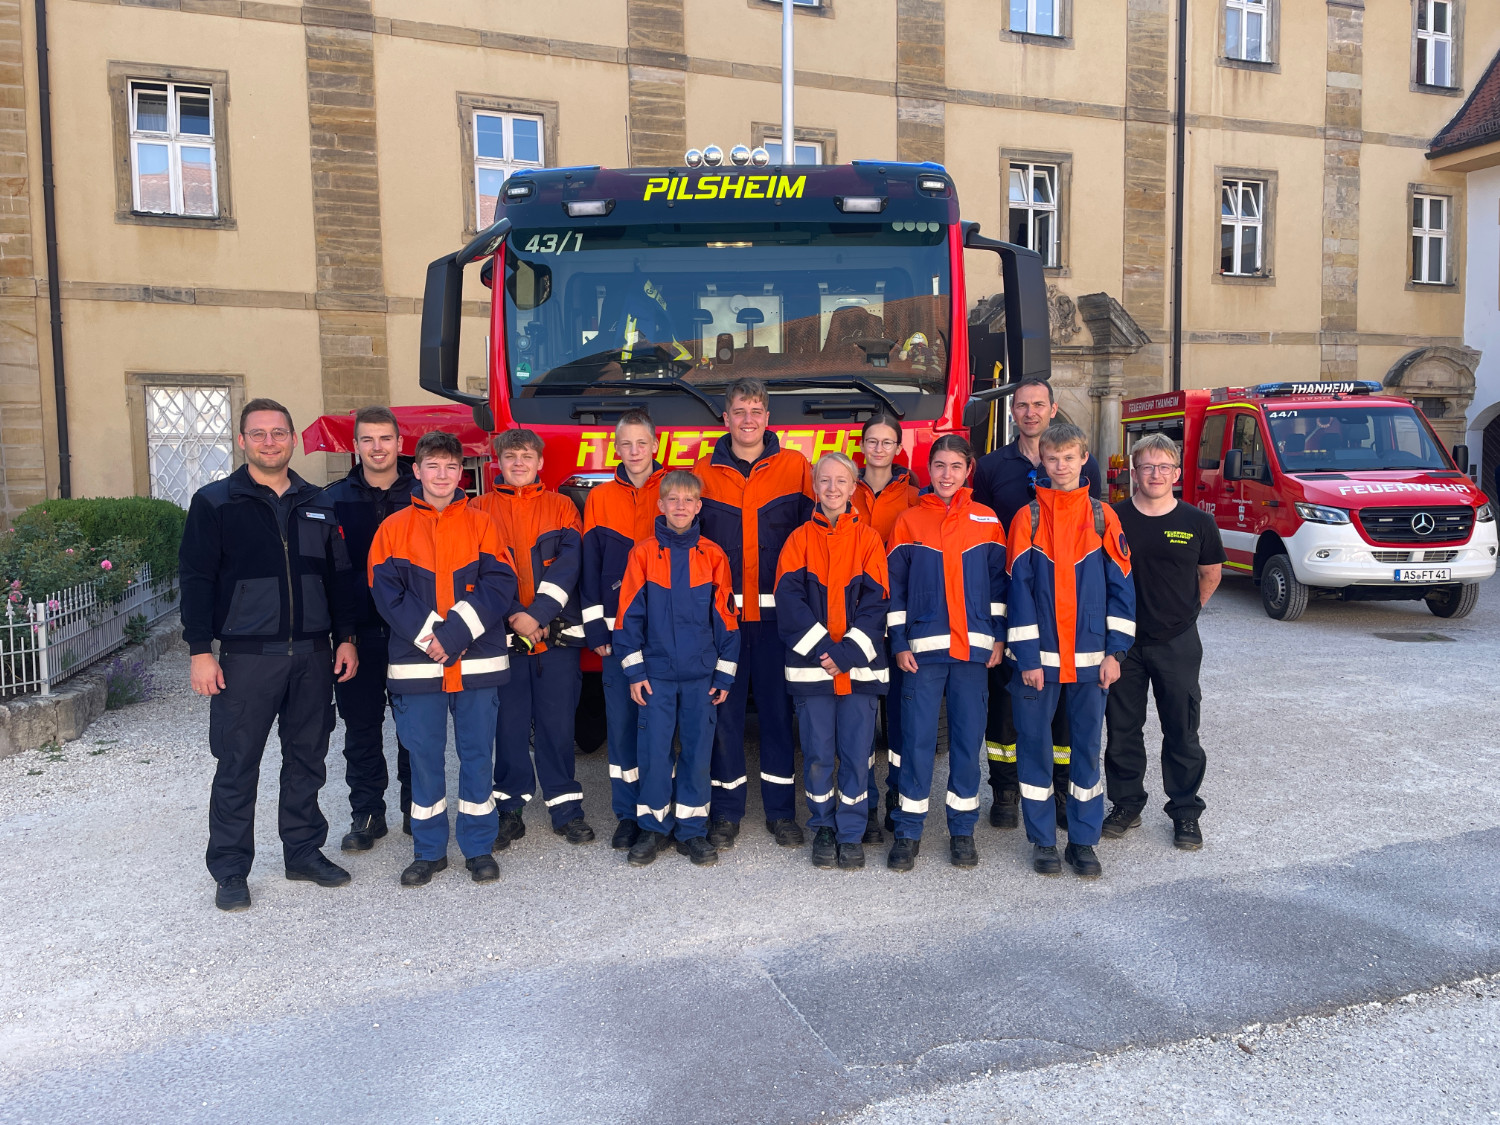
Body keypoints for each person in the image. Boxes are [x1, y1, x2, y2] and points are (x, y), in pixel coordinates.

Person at [181, 398, 362, 913]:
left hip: (312, 653)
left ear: (292, 439)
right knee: (238, 763)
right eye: (258, 434)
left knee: (307, 759)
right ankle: (231, 869)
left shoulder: (319, 503)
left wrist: (345, 636)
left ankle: (303, 852)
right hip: (246, 656)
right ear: (241, 440)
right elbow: (195, 580)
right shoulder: (215, 502)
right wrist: (200, 650)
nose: (269, 442)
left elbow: (340, 577)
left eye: (278, 433)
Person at [368, 431, 520, 887]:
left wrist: (452, 635)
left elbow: (500, 583)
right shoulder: (392, 528)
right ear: (415, 471)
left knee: (477, 757)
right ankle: (429, 851)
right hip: (419, 667)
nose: (441, 475)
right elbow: (384, 592)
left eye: (451, 467)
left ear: (463, 474)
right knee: (425, 759)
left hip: (475, 665)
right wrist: (433, 638)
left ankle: (478, 847)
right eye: (432, 466)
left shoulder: (482, 524)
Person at [972, 377, 1104, 833]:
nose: (1030, 412)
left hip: (1066, 608)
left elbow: (1095, 531)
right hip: (1015, 599)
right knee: (1006, 707)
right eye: (1022, 405)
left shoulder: (1079, 462)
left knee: (1066, 712)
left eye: (1038, 405)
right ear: (1013, 412)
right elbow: (982, 535)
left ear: (1052, 409)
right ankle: (1005, 790)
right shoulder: (991, 467)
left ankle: (1063, 790)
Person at [1006, 422, 1135, 879]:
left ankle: (1083, 841)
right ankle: (1042, 840)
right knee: (1036, 750)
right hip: (1038, 665)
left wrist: (1115, 653)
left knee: (1086, 752)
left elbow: (1122, 591)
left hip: (1090, 663)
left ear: (1084, 460)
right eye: (1052, 458)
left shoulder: (1104, 517)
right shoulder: (1028, 518)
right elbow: (1017, 595)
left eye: (1069, 458)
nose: (1060, 466)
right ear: (1041, 460)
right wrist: (1027, 659)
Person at [694, 378, 814, 849]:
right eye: (739, 411)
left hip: (775, 624)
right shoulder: (702, 472)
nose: (748, 420)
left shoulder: (797, 468)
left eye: (756, 411)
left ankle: (782, 812)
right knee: (723, 714)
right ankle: (726, 812)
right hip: (722, 623)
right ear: (726, 418)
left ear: (768, 418)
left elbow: (811, 546)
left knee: (777, 715)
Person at [885, 436, 1008, 871]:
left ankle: (962, 830)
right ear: (930, 468)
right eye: (939, 465)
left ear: (968, 469)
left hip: (973, 654)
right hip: (922, 654)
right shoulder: (909, 521)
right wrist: (898, 641)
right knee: (916, 742)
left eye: (956, 466)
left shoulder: (988, 520)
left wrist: (997, 636)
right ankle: (907, 831)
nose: (947, 475)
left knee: (964, 743)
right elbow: (894, 592)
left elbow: (999, 588)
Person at [1102, 433, 1223, 850]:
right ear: (1133, 472)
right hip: (1123, 643)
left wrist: (1186, 614)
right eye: (1147, 466)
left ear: (1176, 473)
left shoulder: (1197, 522)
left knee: (1182, 729)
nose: (1155, 474)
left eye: (1164, 467)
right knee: (1122, 730)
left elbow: (1211, 574)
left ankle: (1186, 811)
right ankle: (1126, 803)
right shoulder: (1111, 518)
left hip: (1177, 642)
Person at [473, 429, 594, 848]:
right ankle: (510, 808)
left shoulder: (562, 507)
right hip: (501, 639)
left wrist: (539, 614)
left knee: (558, 726)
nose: (519, 463)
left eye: (527, 456)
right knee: (507, 728)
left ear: (541, 463)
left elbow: (569, 565)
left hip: (554, 639)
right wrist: (514, 617)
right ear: (498, 463)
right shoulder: (478, 509)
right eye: (511, 456)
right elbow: (478, 572)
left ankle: (565, 808)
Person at [613, 471, 741, 867]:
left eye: (689, 500)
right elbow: (627, 619)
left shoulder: (714, 556)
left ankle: (691, 830)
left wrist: (723, 674)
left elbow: (727, 620)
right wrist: (634, 673)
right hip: (656, 677)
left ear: (699, 506)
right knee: (653, 753)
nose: (681, 506)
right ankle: (653, 828)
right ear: (661, 505)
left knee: (698, 754)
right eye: (673, 500)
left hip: (701, 676)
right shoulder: (643, 554)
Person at [776, 452, 891, 870]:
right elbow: (788, 603)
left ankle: (851, 831)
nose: (832, 489)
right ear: (814, 486)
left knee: (858, 754)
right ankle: (823, 826)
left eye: (841, 481)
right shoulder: (798, 540)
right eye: (824, 481)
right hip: (814, 673)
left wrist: (844, 655)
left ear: (854, 485)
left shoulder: (870, 539)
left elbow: (878, 602)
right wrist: (829, 653)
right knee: (820, 753)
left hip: (857, 670)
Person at [321, 405, 417, 851]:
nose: (377, 448)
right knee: (360, 728)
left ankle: (419, 808)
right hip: (356, 636)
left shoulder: (423, 494)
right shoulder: (331, 499)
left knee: (415, 728)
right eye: (367, 440)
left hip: (413, 636)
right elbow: (329, 575)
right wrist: (343, 636)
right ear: (354, 446)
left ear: (400, 443)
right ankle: (367, 813)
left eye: (385, 439)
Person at [581, 409, 667, 851]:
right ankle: (628, 813)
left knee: (662, 725)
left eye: (641, 443)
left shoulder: (674, 491)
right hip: (617, 634)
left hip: (666, 632)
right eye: (626, 444)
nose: (634, 451)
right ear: (616, 449)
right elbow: (591, 568)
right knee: (623, 723)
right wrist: (595, 626)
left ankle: (660, 808)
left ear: (656, 445)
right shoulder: (599, 499)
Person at [851, 412, 921, 844]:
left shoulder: (915, 498)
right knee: (859, 723)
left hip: (898, 626)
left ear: (899, 449)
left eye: (887, 442)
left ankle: (897, 799)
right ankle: (867, 806)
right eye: (871, 441)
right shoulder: (841, 490)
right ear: (862, 446)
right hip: (854, 625)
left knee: (899, 721)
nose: (879, 449)